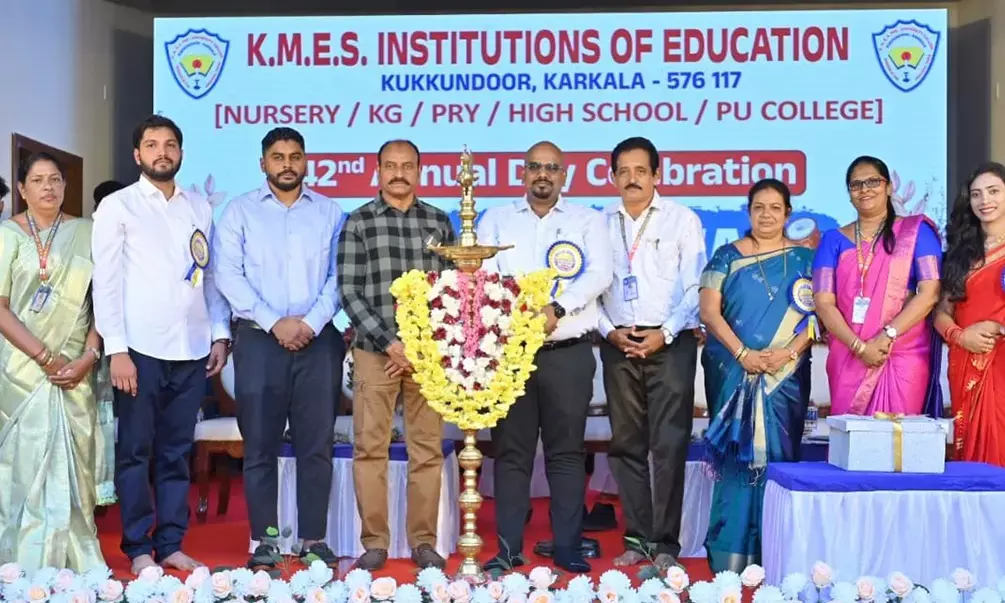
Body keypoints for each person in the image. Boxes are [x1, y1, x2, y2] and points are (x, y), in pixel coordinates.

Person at [92, 115, 231, 574]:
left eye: (170, 144)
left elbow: (209, 275)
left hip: (191, 348)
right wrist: (117, 350)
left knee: (176, 454)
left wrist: (219, 332)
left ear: (181, 153)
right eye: (152, 145)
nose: (162, 152)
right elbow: (106, 282)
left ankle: (170, 543)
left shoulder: (199, 207)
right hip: (139, 350)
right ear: (137, 155)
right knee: (136, 452)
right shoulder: (118, 206)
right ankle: (137, 548)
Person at [477, 141, 612, 574]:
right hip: (510, 354)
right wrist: (517, 315)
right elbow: (482, 277)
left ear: (563, 175)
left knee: (567, 453)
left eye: (552, 168)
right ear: (522, 172)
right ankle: (508, 549)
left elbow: (600, 274)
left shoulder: (587, 220)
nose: (543, 174)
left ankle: (568, 546)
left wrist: (557, 308)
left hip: (567, 354)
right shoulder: (496, 220)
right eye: (535, 166)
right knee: (511, 454)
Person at [215, 127, 345, 569]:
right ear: (263, 164)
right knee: (260, 447)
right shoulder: (239, 212)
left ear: (306, 162)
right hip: (259, 340)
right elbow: (227, 275)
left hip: (317, 340)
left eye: (294, 156)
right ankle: (265, 541)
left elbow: (339, 276)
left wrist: (308, 323)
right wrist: (276, 323)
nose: (287, 164)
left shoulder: (330, 212)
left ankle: (313, 539)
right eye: (278, 156)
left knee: (316, 446)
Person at [337, 139, 455, 571]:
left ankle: (424, 542)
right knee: (371, 449)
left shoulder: (439, 222)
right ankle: (375, 543)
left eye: (407, 166)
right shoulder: (359, 222)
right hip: (376, 352)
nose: (399, 173)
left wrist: (422, 345)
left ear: (420, 171)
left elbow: (452, 290)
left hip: (427, 357)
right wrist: (390, 342)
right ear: (378, 171)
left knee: (427, 450)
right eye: (391, 166)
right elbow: (349, 292)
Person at [0, 153, 112, 572]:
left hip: (76, 368)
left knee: (74, 466)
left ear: (65, 186)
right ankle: (21, 560)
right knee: (23, 462)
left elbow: (104, 301)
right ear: (22, 188)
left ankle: (76, 558)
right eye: (37, 180)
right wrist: (44, 357)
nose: (48, 187)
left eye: (55, 179)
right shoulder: (6, 235)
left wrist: (90, 355)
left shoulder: (88, 232)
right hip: (22, 369)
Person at [596, 137, 704, 570]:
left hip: (670, 344)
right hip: (618, 345)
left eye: (641, 171)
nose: (632, 179)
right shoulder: (600, 224)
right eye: (623, 171)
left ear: (657, 175)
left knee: (668, 445)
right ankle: (637, 539)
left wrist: (667, 332)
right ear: (612, 177)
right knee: (626, 445)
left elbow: (695, 286)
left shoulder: (682, 220)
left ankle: (665, 546)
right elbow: (590, 289)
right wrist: (610, 332)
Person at [699, 179, 816, 572]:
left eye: (775, 208)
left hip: (786, 376)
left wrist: (788, 353)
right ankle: (730, 559)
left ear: (788, 213)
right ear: (748, 212)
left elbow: (816, 318)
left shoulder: (805, 259)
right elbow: (709, 312)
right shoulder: (725, 256)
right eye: (759, 207)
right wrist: (743, 354)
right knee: (736, 459)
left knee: (780, 461)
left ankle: (777, 556)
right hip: (734, 371)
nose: (767, 215)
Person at [812, 156, 943, 416]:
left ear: (888, 187)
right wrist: (859, 348)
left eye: (873, 181)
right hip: (849, 355)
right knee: (851, 434)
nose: (865, 189)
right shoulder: (832, 240)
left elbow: (930, 293)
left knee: (900, 433)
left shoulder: (916, 232)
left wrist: (887, 335)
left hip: (902, 353)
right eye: (856, 185)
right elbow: (823, 302)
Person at [936, 162, 1005, 465]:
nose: (984, 200)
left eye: (993, 191)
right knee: (972, 455)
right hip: (965, 360)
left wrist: (996, 326)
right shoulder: (961, 252)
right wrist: (961, 336)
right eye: (976, 194)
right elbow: (941, 313)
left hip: (1000, 361)